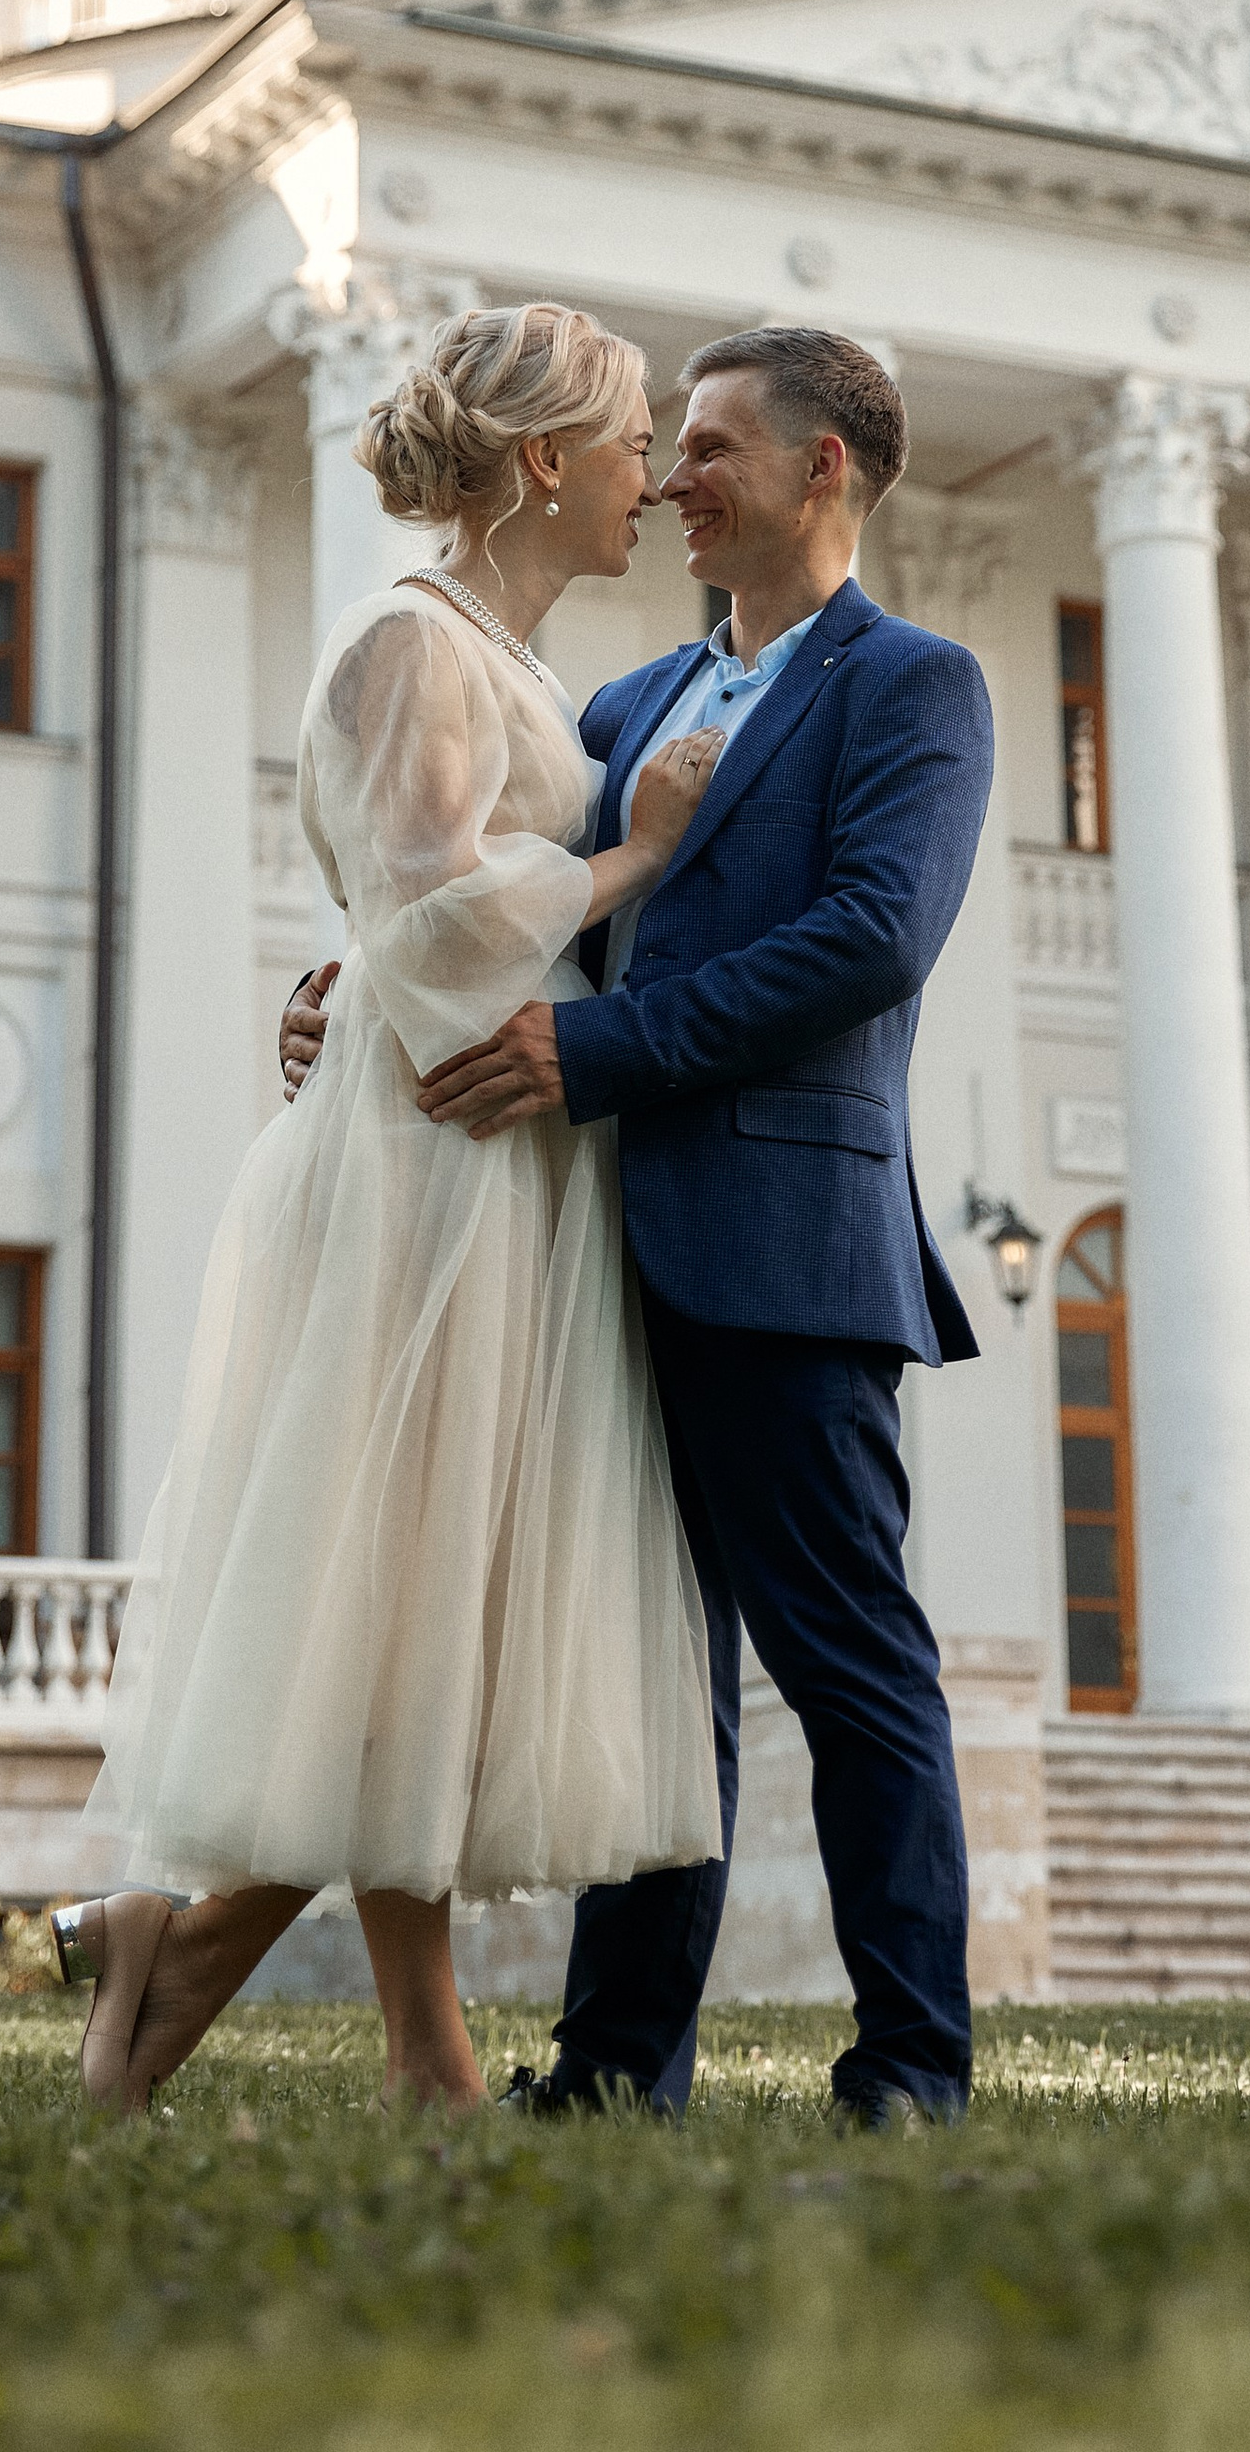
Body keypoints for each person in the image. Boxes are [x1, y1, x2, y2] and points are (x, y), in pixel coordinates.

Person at [282, 325, 994, 2125]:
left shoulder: (920, 688)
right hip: (588, 1255)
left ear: (823, 469)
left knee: (851, 1671)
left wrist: (596, 1048)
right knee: (648, 1677)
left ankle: (911, 2065)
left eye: (715, 446)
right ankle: (613, 2072)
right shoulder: (622, 706)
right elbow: (521, 914)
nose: (673, 475)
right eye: (666, 445)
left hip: (783, 1248)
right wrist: (347, 992)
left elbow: (867, 941)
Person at [54, 303, 727, 2116]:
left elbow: (396, 920)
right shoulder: (403, 640)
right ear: (540, 464)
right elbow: (426, 927)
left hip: (503, 1164)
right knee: (398, 1593)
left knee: (431, 1601)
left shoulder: (502, 660)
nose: (651, 473)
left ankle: (361, 2039)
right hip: (433, 1167)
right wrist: (632, 855)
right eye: (630, 438)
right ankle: (303, 2018)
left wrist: (362, 968)